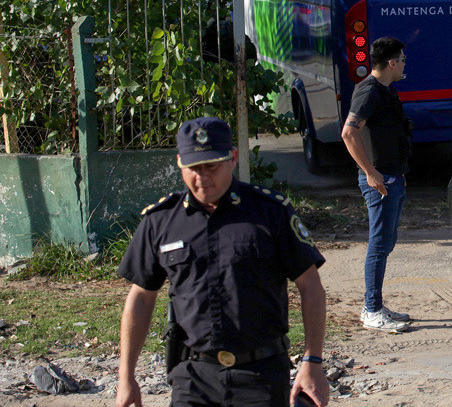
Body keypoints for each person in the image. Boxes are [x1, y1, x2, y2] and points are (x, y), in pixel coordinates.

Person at [116, 117, 329, 407]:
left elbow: (311, 286)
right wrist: (126, 376)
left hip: (261, 376)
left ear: (233, 159)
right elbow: (141, 297)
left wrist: (312, 361)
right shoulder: (161, 221)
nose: (202, 178)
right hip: (193, 378)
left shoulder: (270, 213)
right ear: (179, 163)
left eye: (212, 166)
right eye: (193, 168)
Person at [341, 36, 414, 333]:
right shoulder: (369, 91)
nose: (405, 65)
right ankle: (372, 310)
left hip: (394, 176)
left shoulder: (386, 90)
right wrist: (371, 173)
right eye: (403, 60)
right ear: (392, 62)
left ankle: (375, 306)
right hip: (380, 181)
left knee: (387, 243)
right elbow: (349, 133)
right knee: (379, 244)